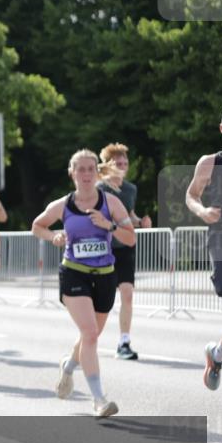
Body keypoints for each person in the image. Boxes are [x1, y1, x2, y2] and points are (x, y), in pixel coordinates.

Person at [32, 149, 135, 418]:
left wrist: (108, 226)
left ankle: (68, 367)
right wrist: (53, 236)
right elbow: (36, 226)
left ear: (97, 173)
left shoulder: (111, 203)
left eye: (91, 169)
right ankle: (99, 399)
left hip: (105, 275)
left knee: (91, 335)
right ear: (72, 173)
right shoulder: (63, 205)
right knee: (89, 333)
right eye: (81, 169)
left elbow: (131, 238)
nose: (87, 174)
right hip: (74, 273)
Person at [185, 106, 222, 391]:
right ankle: (217, 353)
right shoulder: (210, 163)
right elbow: (190, 195)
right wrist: (201, 211)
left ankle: (218, 353)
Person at [98, 143, 151, 360]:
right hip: (104, 248)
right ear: (109, 165)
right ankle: (87, 339)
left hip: (126, 247)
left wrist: (140, 221)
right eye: (118, 163)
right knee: (103, 299)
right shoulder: (100, 189)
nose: (123, 166)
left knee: (127, 294)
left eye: (125, 163)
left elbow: (128, 213)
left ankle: (124, 342)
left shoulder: (130, 189)